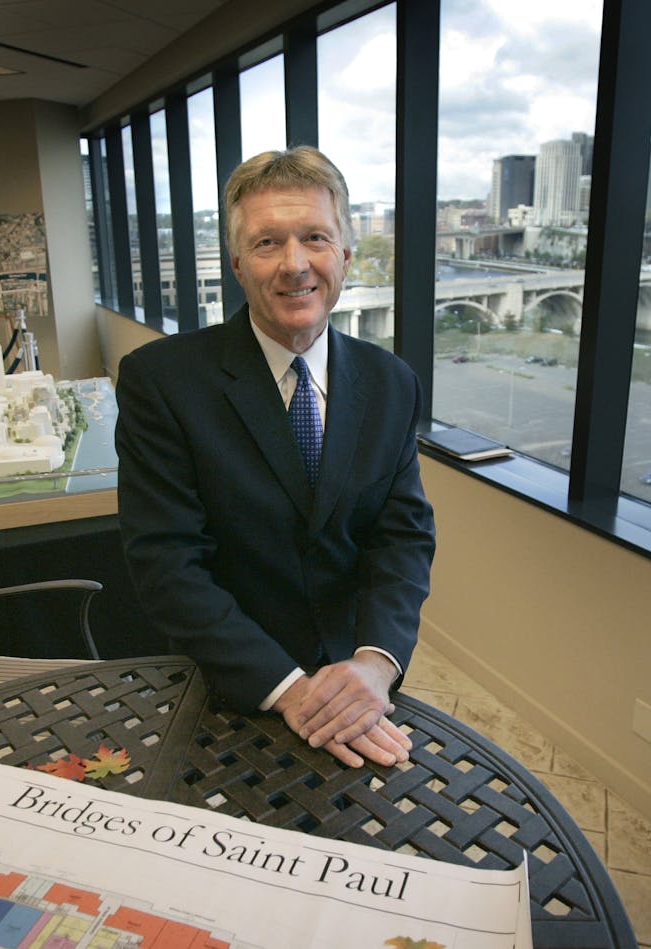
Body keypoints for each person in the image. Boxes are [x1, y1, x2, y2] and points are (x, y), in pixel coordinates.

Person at [115, 146, 436, 768]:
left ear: (345, 254)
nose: (295, 265)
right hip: (225, 686)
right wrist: (289, 688)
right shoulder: (162, 381)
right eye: (267, 243)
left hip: (356, 684)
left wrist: (375, 662)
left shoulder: (391, 382)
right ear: (238, 264)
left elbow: (403, 538)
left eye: (315, 237)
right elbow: (166, 561)